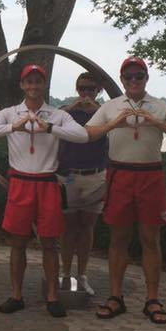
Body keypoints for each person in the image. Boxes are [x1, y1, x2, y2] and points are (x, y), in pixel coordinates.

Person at [85, 57, 166, 325]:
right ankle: (116, 297)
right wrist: (115, 124)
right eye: (128, 77)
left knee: (151, 238)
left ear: (146, 78)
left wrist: (156, 122)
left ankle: (152, 299)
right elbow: (88, 133)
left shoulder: (159, 107)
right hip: (120, 174)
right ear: (122, 80)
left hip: (150, 175)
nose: (133, 81)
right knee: (118, 239)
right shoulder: (112, 107)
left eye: (139, 76)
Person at [0, 65, 89, 317]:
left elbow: (81, 135)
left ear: (44, 85)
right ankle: (16, 295)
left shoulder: (56, 114)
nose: (33, 86)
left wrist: (49, 128)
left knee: (49, 243)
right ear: (22, 85)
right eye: (29, 81)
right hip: (20, 182)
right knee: (18, 242)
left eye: (38, 81)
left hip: (47, 182)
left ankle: (52, 296)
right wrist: (13, 127)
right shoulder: (10, 113)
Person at [57, 72, 109, 296]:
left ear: (98, 91)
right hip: (68, 175)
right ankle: (66, 274)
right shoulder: (66, 112)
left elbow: (115, 132)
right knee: (68, 227)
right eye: (82, 89)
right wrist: (72, 107)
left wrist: (96, 111)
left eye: (90, 89)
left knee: (87, 226)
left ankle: (83, 275)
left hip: (95, 176)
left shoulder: (105, 113)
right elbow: (50, 124)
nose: (85, 93)